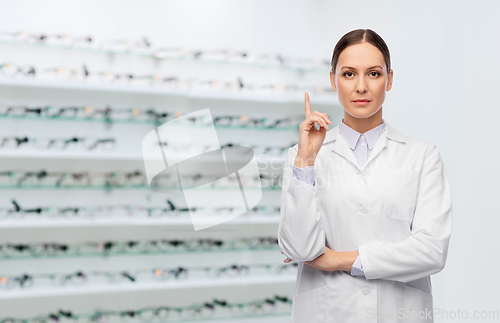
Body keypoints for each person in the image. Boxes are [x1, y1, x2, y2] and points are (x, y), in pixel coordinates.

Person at [277, 29, 453, 322]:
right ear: (333, 79)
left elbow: (432, 251)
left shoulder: (422, 156)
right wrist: (306, 161)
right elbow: (298, 248)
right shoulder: (302, 156)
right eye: (348, 74)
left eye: (373, 74)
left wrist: (336, 260)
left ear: (390, 79)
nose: (361, 87)